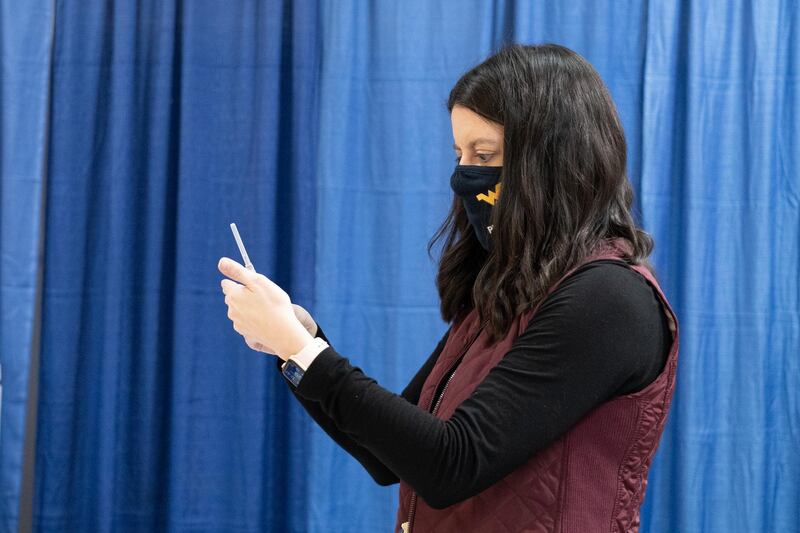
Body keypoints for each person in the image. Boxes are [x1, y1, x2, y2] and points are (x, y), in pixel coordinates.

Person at [218, 43, 679, 533]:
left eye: (484, 154)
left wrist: (302, 350)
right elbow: (390, 459)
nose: (463, 176)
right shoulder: (507, 290)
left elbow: (451, 465)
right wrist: (298, 345)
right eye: (460, 153)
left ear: (549, 161)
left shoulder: (609, 299)